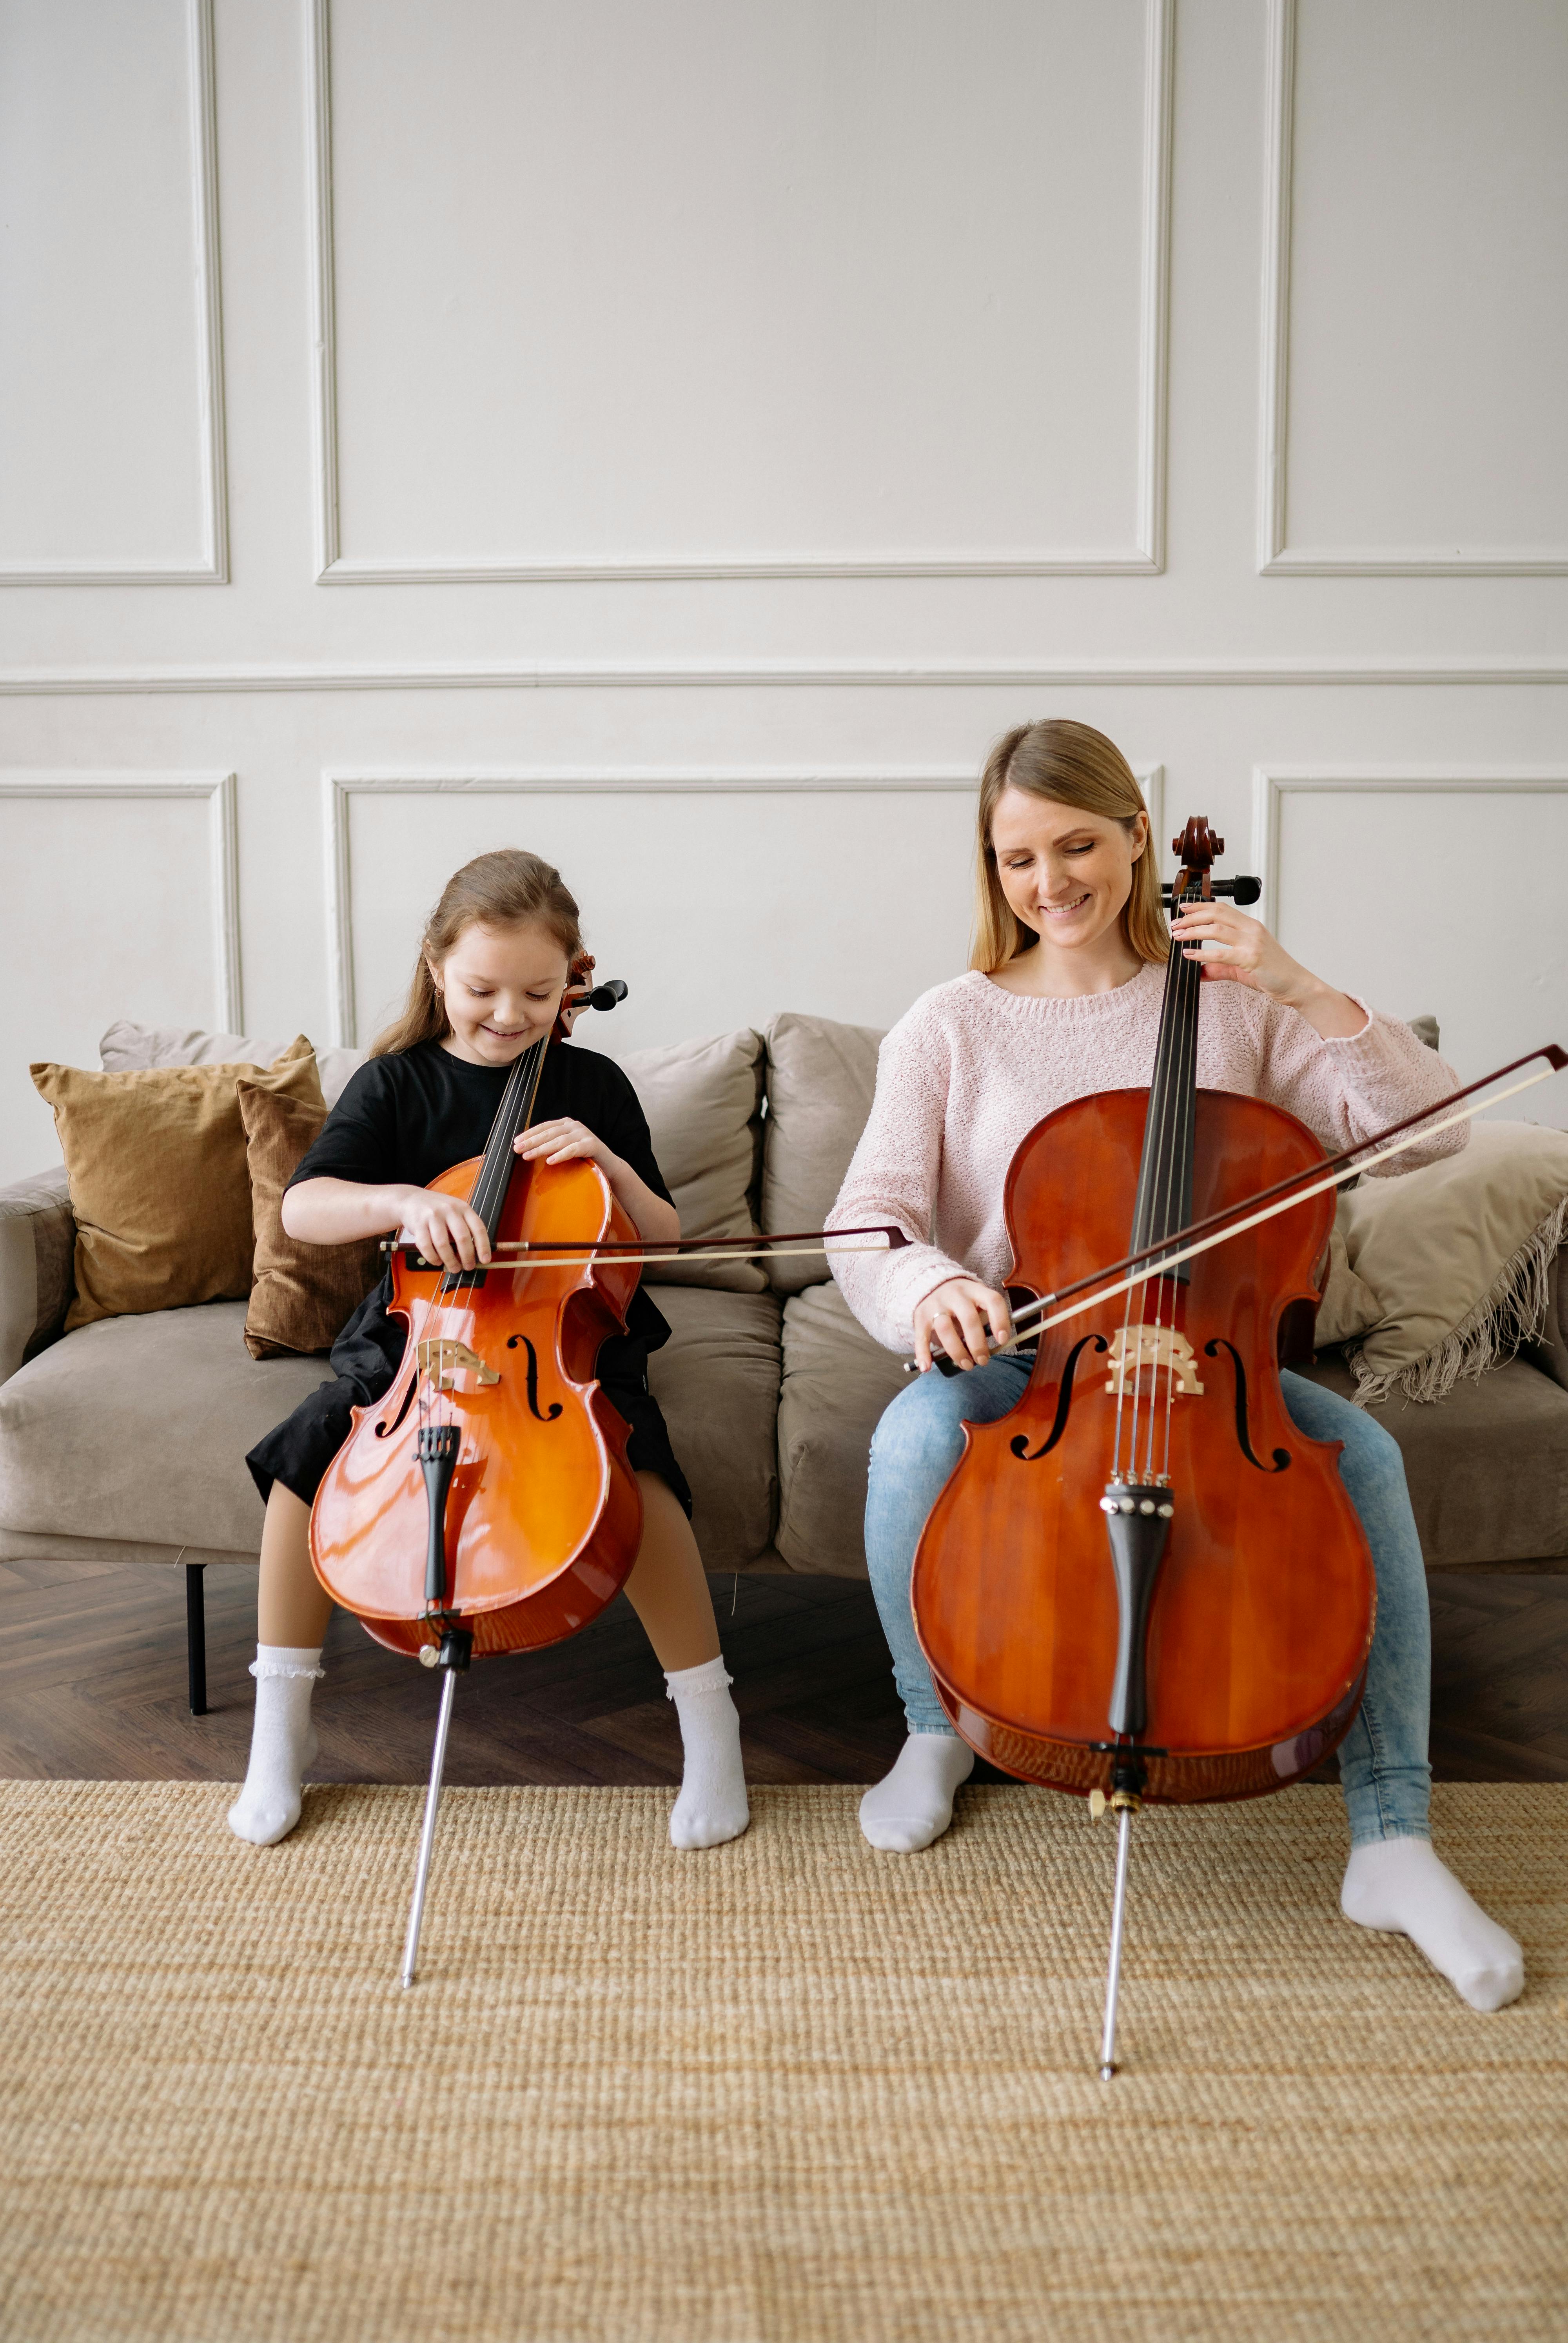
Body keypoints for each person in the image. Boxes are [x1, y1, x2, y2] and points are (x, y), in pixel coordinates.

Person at [828, 719, 1524, 2014]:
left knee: (1359, 1448)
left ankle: (1393, 1834)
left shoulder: (1238, 1005)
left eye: (1078, 844)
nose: (1052, 882)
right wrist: (936, 1286)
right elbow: (866, 1217)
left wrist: (1308, 989)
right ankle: (936, 1725)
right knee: (915, 1438)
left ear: (1140, 837)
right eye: (1019, 857)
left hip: (1217, 1363)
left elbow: (1429, 1138)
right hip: (1036, 1362)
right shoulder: (951, 1024)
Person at [228, 849, 749, 1855]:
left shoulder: (591, 1084)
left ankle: (707, 1722)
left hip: (565, 1341)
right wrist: (403, 1201)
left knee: (636, 1474)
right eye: (481, 989)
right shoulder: (395, 1084)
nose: (509, 1015)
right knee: (302, 1468)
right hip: (419, 1340)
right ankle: (280, 1730)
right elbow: (305, 1206)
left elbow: (662, 1236)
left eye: (538, 992)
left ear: (574, 982)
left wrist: (601, 1158)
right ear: (435, 969)